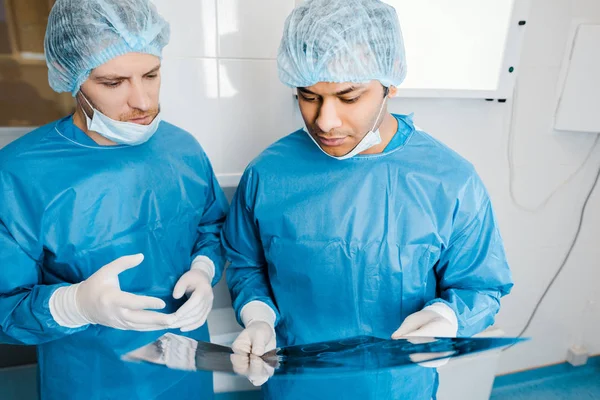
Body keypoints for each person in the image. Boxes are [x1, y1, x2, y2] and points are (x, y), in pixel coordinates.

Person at [222, 0, 513, 398]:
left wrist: (448, 317)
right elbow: (245, 264)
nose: (325, 120)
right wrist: (257, 316)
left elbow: (481, 285)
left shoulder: (449, 180)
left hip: (399, 387)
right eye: (308, 96)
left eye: (349, 97)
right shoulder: (268, 174)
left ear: (390, 83)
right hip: (298, 385)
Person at [0, 0, 228, 398]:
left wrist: (204, 270)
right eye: (113, 82)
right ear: (72, 79)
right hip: (90, 380)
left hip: (187, 371)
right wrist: (73, 305)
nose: (142, 101)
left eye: (152, 74)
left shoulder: (182, 148)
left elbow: (210, 226)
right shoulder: (20, 173)